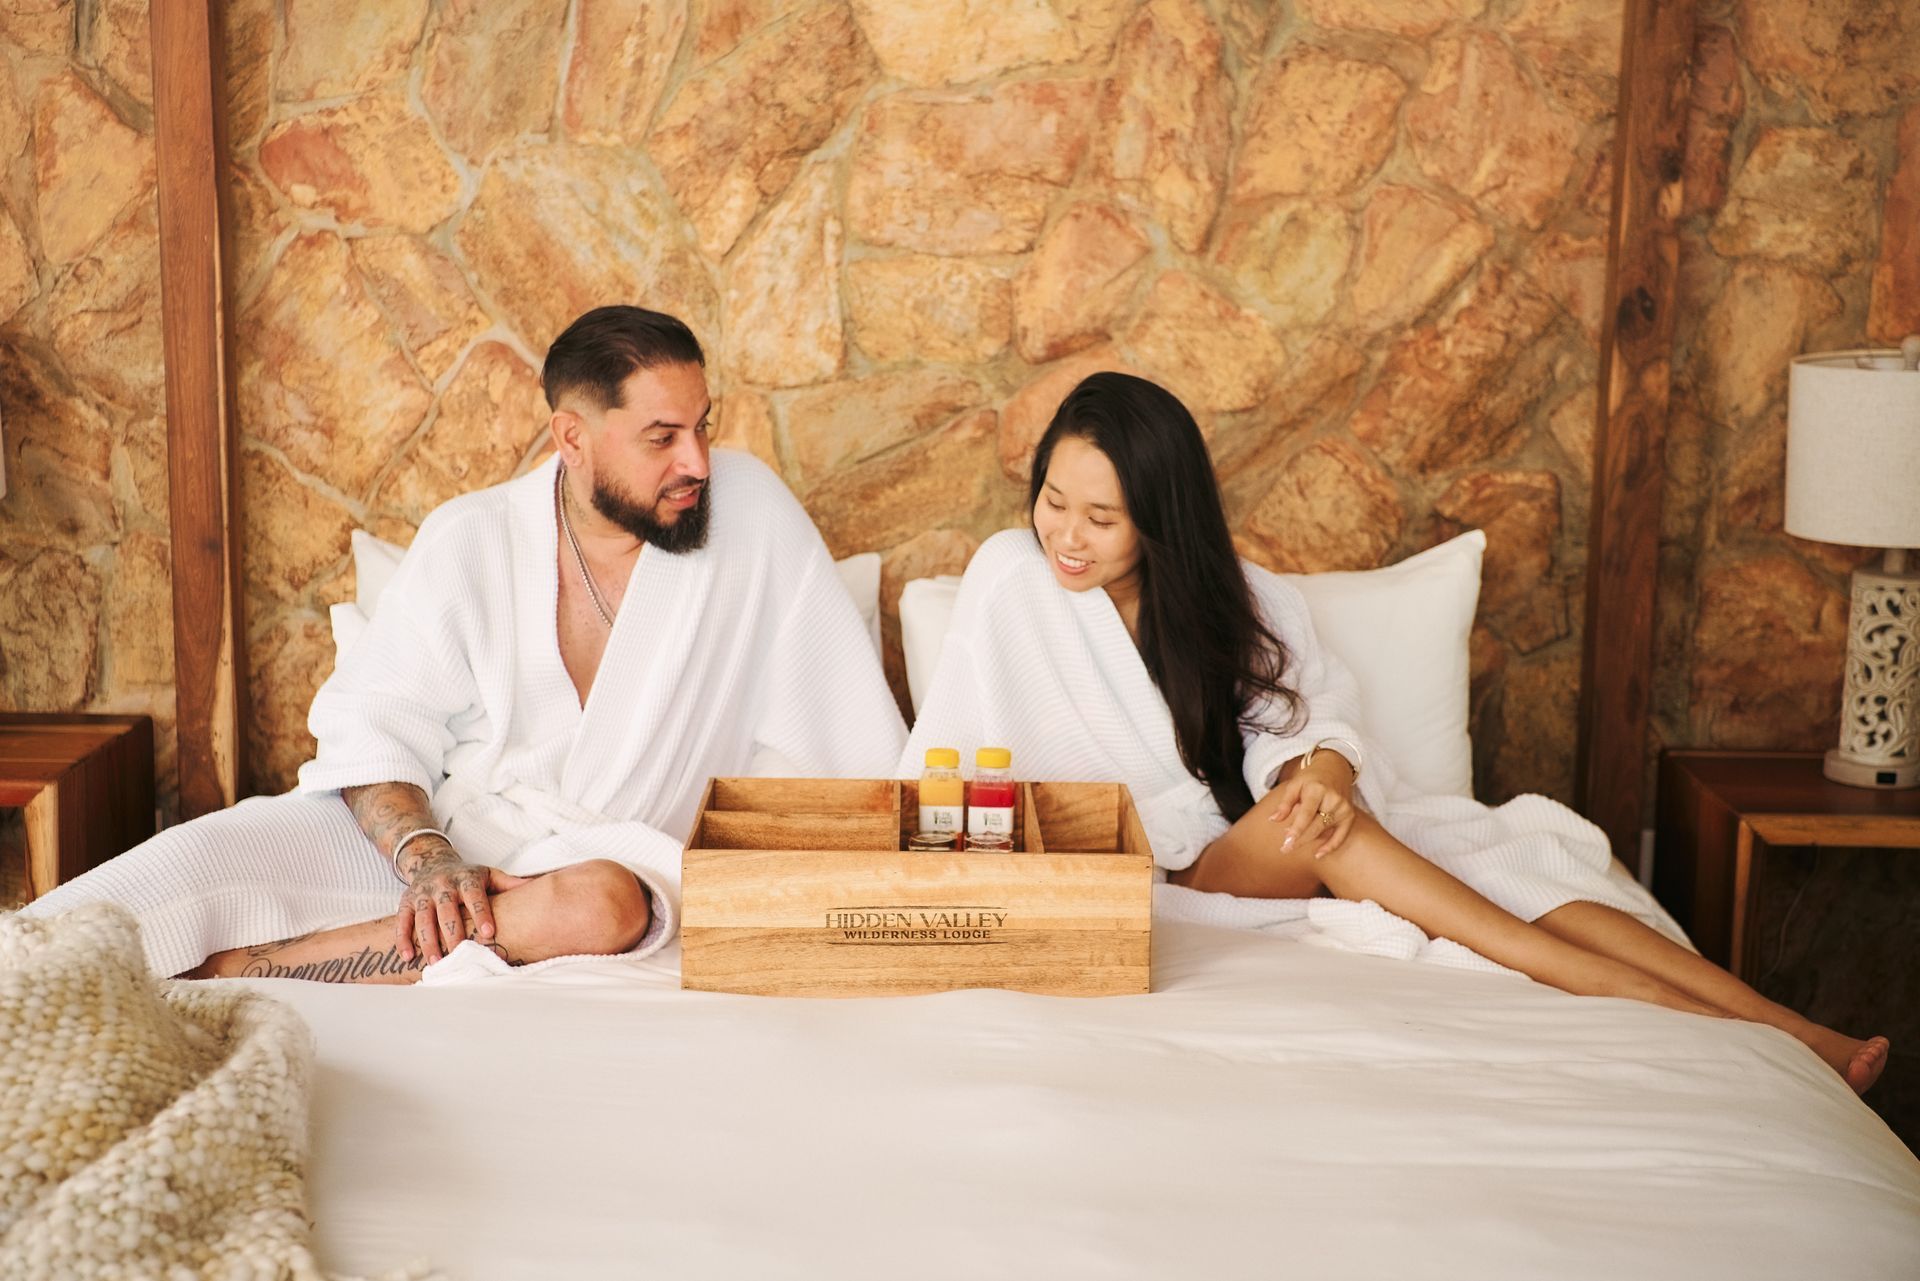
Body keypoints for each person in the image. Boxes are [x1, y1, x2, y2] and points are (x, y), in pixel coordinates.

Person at [901, 371, 1889, 1094]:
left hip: (1274, 834)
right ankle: (1679, 1015)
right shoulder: (1011, 585)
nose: (1066, 537)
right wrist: (1316, 799)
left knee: (1516, 869)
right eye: (1054, 503)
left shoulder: (1239, 597)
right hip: (1163, 870)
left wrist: (1326, 773)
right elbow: (955, 753)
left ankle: (1787, 1025)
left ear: (1160, 518)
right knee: (1351, 835)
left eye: (1102, 520)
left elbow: (1311, 715)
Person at [26, 306, 907, 983]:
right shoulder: (472, 539)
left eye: (704, 425)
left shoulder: (749, 518)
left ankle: (257, 970)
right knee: (177, 869)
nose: (699, 462)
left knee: (601, 903)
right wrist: (430, 860)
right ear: (572, 437)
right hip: (441, 839)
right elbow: (375, 731)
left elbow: (838, 739)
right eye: (662, 438)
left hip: (606, 867)